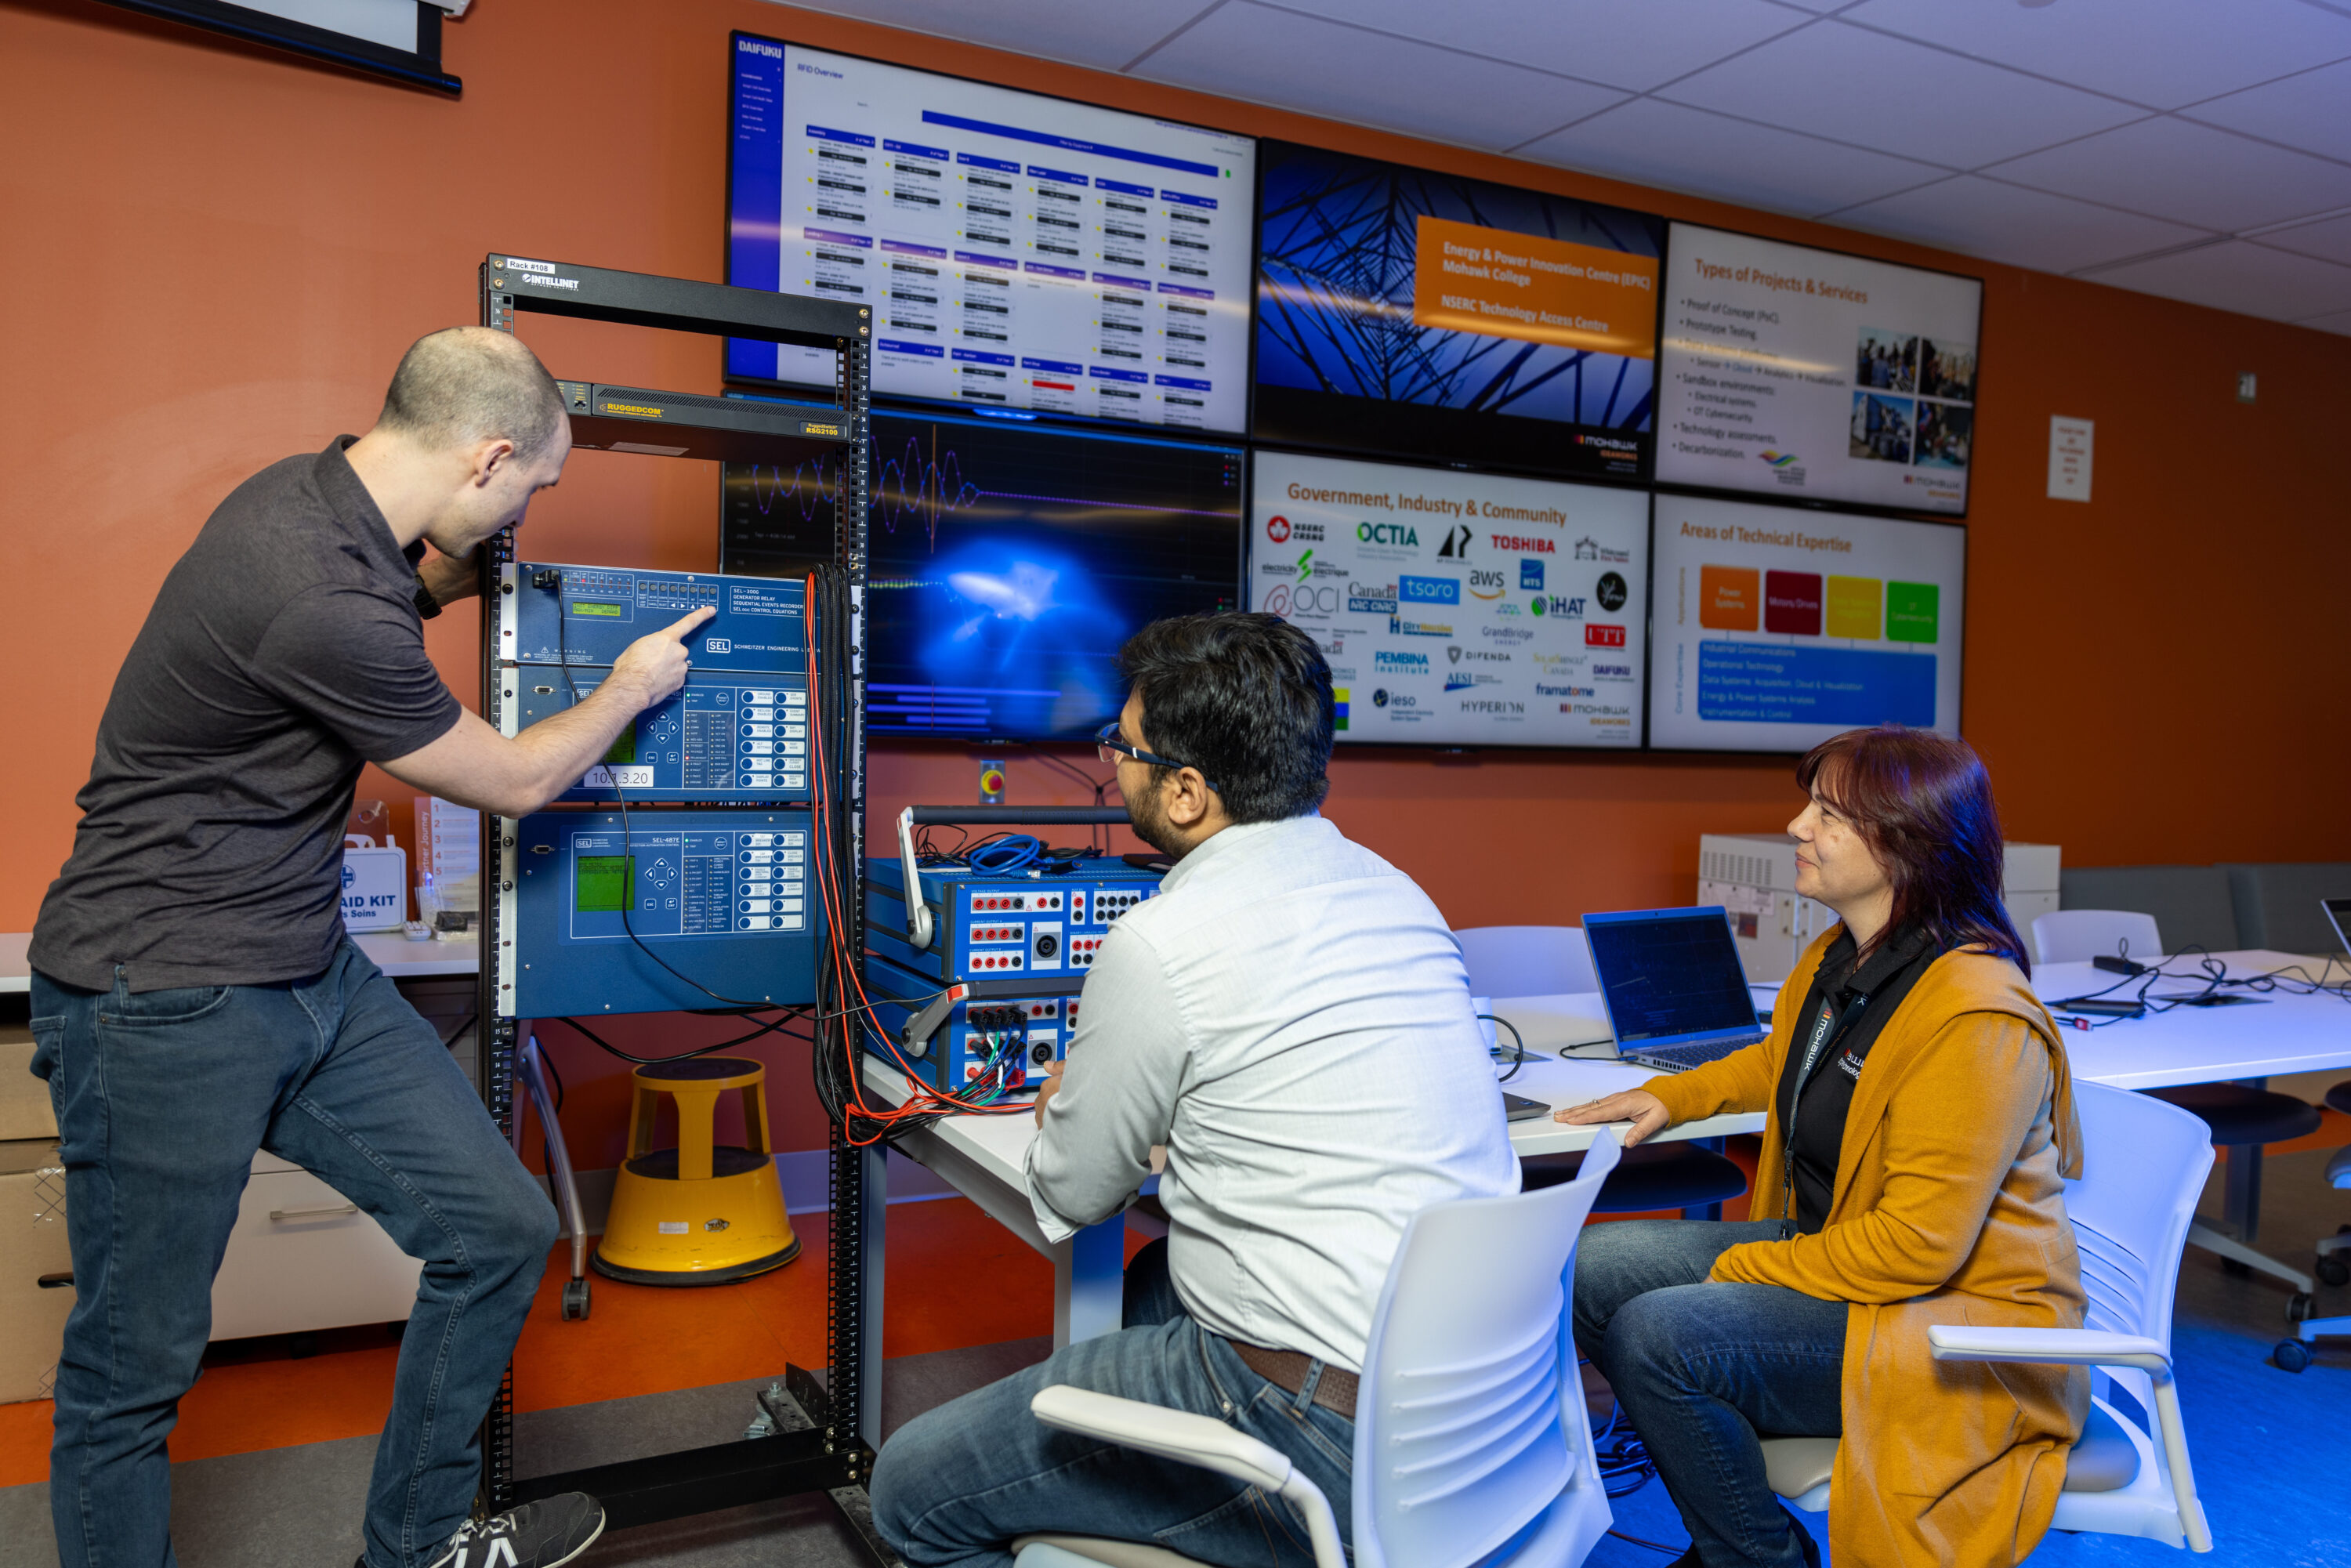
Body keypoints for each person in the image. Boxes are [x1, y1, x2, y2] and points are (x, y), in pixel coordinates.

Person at [27, 328, 715, 1568]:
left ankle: (414, 1546)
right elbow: (508, 781)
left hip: (305, 969)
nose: (525, 522)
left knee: (500, 1228)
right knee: (131, 1372)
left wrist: (468, 581)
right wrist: (628, 686)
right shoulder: (314, 587)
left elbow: (408, 587)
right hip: (162, 994)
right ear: (490, 457)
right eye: (532, 491)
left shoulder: (315, 497)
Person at [870, 613, 1517, 1567]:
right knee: (1150, 1287)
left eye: (1121, 747)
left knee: (909, 1492)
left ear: (1183, 792)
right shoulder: (1397, 893)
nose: (1111, 762)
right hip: (1482, 1402)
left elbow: (1074, 1190)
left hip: (1325, 1437)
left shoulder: (1162, 941)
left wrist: (1074, 1108)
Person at [1559, 725, 2084, 1568]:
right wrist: (1672, 1093)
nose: (1798, 827)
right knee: (1585, 1271)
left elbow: (1917, 1249)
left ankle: (1753, 1557)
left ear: (1907, 843)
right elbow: (1784, 1056)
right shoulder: (1845, 958)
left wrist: (1732, 1272)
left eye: (1829, 814)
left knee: (1657, 1334)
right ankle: (1741, 1531)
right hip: (1845, 1254)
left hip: (1949, 1321)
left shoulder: (1976, 1015)